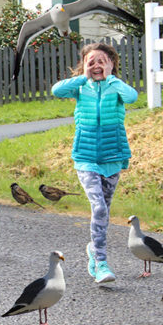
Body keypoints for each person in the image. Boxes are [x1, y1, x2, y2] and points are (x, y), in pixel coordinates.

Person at [51, 42, 138, 284]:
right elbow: (56, 90)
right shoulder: (80, 88)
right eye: (92, 61)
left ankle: (93, 249)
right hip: (86, 159)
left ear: (111, 64)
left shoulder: (116, 87)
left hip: (112, 158)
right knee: (98, 208)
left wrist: (112, 78)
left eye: (102, 61)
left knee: (104, 211)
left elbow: (132, 96)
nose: (97, 65)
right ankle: (101, 263)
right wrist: (82, 77)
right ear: (84, 65)